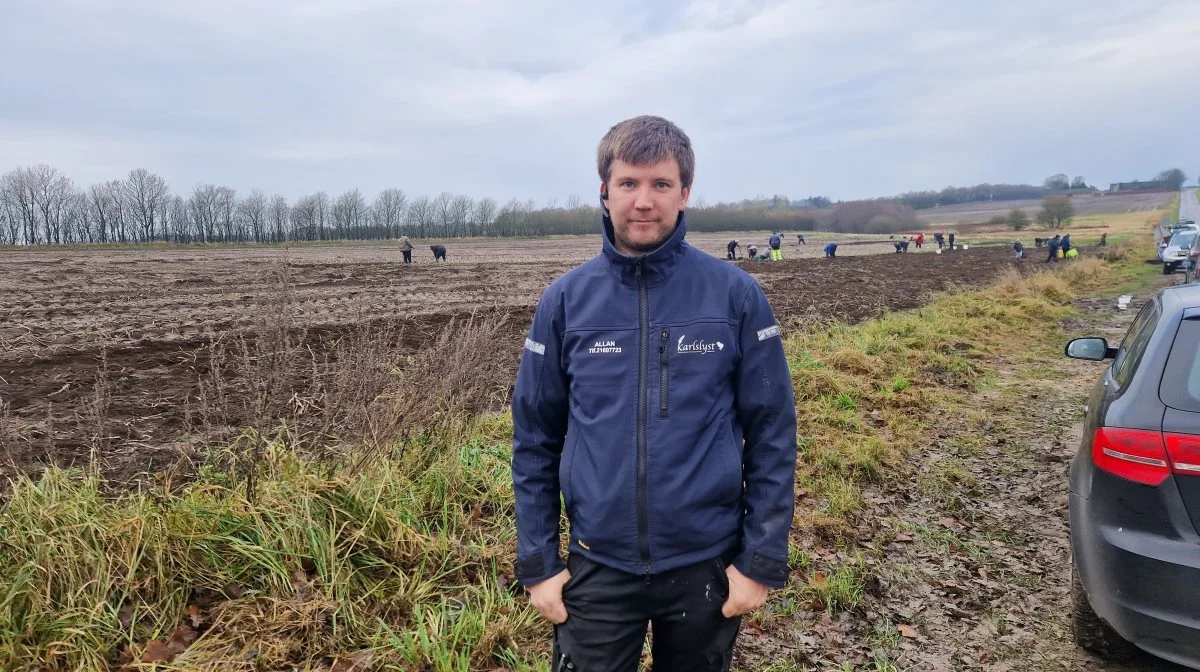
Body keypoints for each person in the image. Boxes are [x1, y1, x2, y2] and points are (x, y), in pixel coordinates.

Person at [511, 115, 797, 672]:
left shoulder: (735, 295)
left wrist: (759, 560)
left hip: (705, 566)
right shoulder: (565, 302)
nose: (644, 201)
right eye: (629, 184)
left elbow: (772, 433)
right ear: (605, 190)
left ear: (685, 193)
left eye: (661, 184)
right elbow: (535, 438)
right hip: (597, 566)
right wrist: (539, 563)